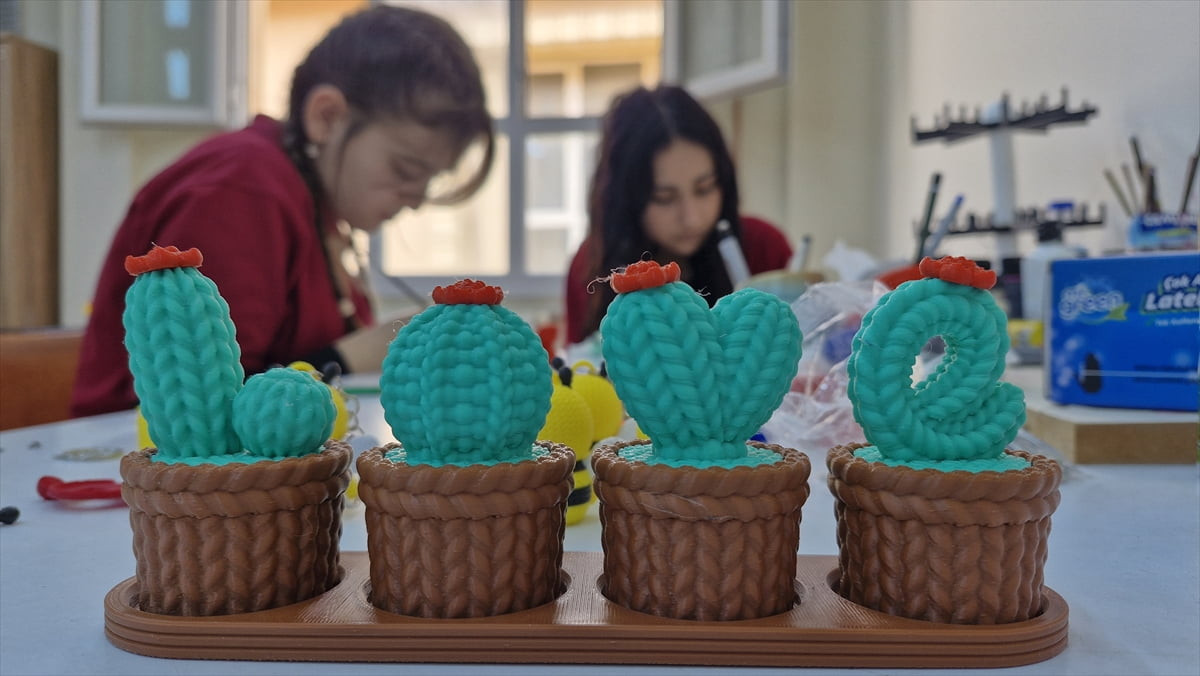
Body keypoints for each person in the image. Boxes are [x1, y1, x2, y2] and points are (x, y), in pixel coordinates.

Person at [70, 5, 494, 417]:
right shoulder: (244, 188)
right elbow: (206, 406)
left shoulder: (317, 207)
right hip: (129, 458)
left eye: (429, 181)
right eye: (406, 169)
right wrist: (357, 352)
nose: (417, 199)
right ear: (326, 118)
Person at [564, 85, 792, 346]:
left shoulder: (763, 248)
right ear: (627, 200)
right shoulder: (591, 266)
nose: (691, 218)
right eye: (664, 198)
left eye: (704, 189)